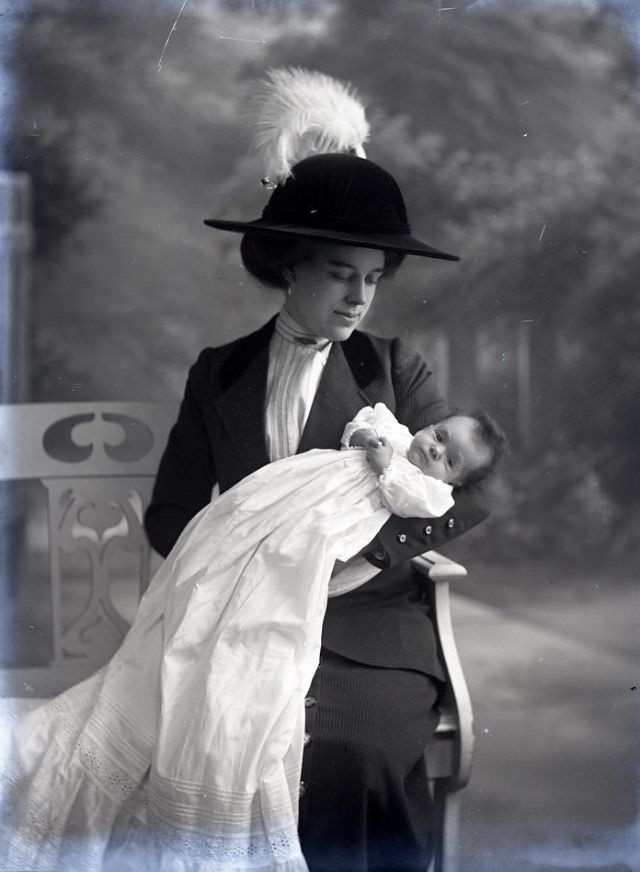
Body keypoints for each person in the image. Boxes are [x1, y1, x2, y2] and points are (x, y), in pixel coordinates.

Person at [138, 64, 493, 869]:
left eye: (372, 279)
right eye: (339, 274)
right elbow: (169, 511)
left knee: (348, 752)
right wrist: (234, 564)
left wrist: (374, 555)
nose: (359, 298)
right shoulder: (220, 373)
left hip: (364, 632)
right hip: (245, 626)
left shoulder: (394, 370)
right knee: (207, 754)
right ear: (289, 265)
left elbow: (472, 488)